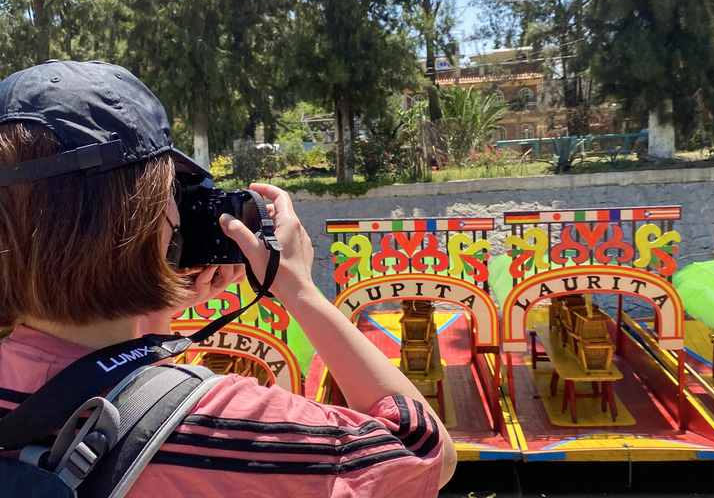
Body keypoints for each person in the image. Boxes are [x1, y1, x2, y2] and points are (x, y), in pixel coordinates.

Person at [0, 60, 456, 497]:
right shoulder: (232, 427)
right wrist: (299, 291)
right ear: (142, 216)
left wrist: (152, 313)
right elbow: (421, 453)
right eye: (170, 194)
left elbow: (127, 400)